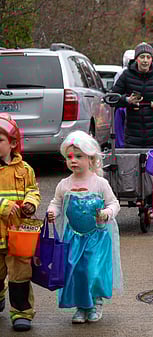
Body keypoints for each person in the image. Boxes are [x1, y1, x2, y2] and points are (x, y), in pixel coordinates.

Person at [47, 130, 122, 324]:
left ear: (91, 158)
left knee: (93, 270)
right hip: (73, 237)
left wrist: (107, 213)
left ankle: (95, 302)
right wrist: (53, 212)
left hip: (97, 236)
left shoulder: (100, 183)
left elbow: (114, 203)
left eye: (79, 156)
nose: (73, 161)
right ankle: (82, 306)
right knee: (77, 272)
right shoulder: (65, 184)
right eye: (70, 157)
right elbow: (56, 202)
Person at [0, 114, 41, 332]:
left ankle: (21, 312)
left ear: (13, 143)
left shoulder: (25, 169)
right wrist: (3, 205)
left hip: (18, 236)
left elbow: (33, 190)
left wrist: (30, 203)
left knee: (20, 275)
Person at [112, 42, 153, 147]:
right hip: (132, 133)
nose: (145, 60)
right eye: (142, 57)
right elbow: (112, 97)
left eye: (148, 57)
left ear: (152, 59)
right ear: (136, 59)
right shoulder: (126, 75)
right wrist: (127, 100)